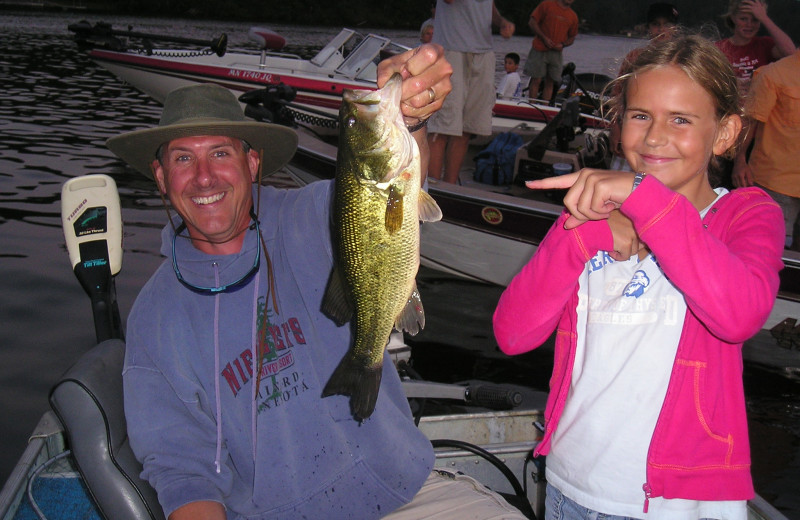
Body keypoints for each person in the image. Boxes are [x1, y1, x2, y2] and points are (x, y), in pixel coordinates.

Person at [107, 47, 528, 519]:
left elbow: (392, 193)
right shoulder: (155, 317)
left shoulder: (314, 216)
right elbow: (181, 469)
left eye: (221, 153)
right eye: (184, 158)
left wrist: (410, 116)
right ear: (162, 177)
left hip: (407, 489)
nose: (204, 177)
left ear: (251, 164)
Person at [493, 35, 784, 519]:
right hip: (569, 485)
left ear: (727, 132)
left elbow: (738, 315)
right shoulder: (588, 212)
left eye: (681, 120)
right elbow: (513, 334)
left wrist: (645, 198)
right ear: (619, 120)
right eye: (641, 115)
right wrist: (580, 235)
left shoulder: (745, 215)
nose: (654, 137)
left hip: (677, 504)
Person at [428, 0, 515, 184]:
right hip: (451, 50)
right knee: (441, 127)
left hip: (483, 54)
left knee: (467, 128)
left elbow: (487, 7)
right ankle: (432, 191)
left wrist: (502, 22)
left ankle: (451, 188)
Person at [732, 48, 800, 249]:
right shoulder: (774, 74)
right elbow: (751, 121)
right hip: (775, 181)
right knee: (769, 248)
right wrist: (739, 160)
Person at [609, 2, 679, 171]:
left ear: (675, 28)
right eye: (656, 25)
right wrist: (615, 127)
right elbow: (617, 97)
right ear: (648, 28)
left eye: (667, 25)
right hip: (633, 134)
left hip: (665, 138)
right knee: (620, 188)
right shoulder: (635, 57)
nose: (661, 30)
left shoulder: (682, 62)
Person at [715, 0, 795, 97]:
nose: (749, 24)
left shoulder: (765, 45)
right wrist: (731, 85)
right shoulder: (719, 48)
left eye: (755, 20)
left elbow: (790, 52)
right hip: (733, 106)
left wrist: (764, 18)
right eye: (743, 19)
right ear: (733, 18)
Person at [523, 0, 578, 104]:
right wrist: (544, 38)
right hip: (539, 49)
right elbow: (532, 22)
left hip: (556, 54)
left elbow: (572, 38)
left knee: (551, 81)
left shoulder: (573, 16)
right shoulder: (547, 5)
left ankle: (545, 107)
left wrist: (562, 45)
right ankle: (532, 105)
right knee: (536, 80)